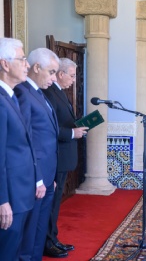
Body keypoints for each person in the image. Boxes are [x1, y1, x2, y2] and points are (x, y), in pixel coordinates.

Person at [14, 48, 61, 260]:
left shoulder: (40, 92)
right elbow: (27, 139)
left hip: (46, 176)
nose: (54, 78)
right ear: (36, 67)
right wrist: (38, 178)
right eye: (51, 72)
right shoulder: (23, 93)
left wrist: (49, 177)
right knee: (30, 233)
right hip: (36, 178)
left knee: (40, 231)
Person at [43, 57, 88, 258]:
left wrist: (77, 126)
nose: (73, 79)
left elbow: (64, 119)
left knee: (56, 202)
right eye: (71, 75)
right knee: (51, 204)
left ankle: (54, 238)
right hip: (57, 156)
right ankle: (48, 242)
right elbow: (50, 128)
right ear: (60, 74)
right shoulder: (49, 93)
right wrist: (72, 133)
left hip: (64, 155)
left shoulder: (59, 92)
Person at [0, 38, 37, 260]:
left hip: (22, 194)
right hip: (10, 197)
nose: (27, 65)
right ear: (5, 64)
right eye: (22, 59)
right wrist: (2, 200)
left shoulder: (12, 96)